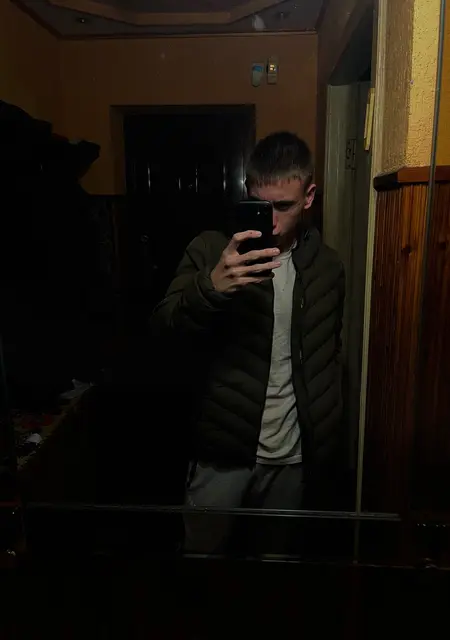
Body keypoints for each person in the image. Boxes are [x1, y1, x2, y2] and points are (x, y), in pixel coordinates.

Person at [150, 132, 345, 552]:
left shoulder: (327, 267)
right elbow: (164, 332)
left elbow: (328, 357)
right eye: (260, 205)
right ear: (247, 192)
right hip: (222, 453)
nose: (271, 221)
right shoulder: (210, 251)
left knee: (277, 565)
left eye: (284, 206)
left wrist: (327, 443)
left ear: (309, 197)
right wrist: (211, 288)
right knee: (203, 559)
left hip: (293, 459)